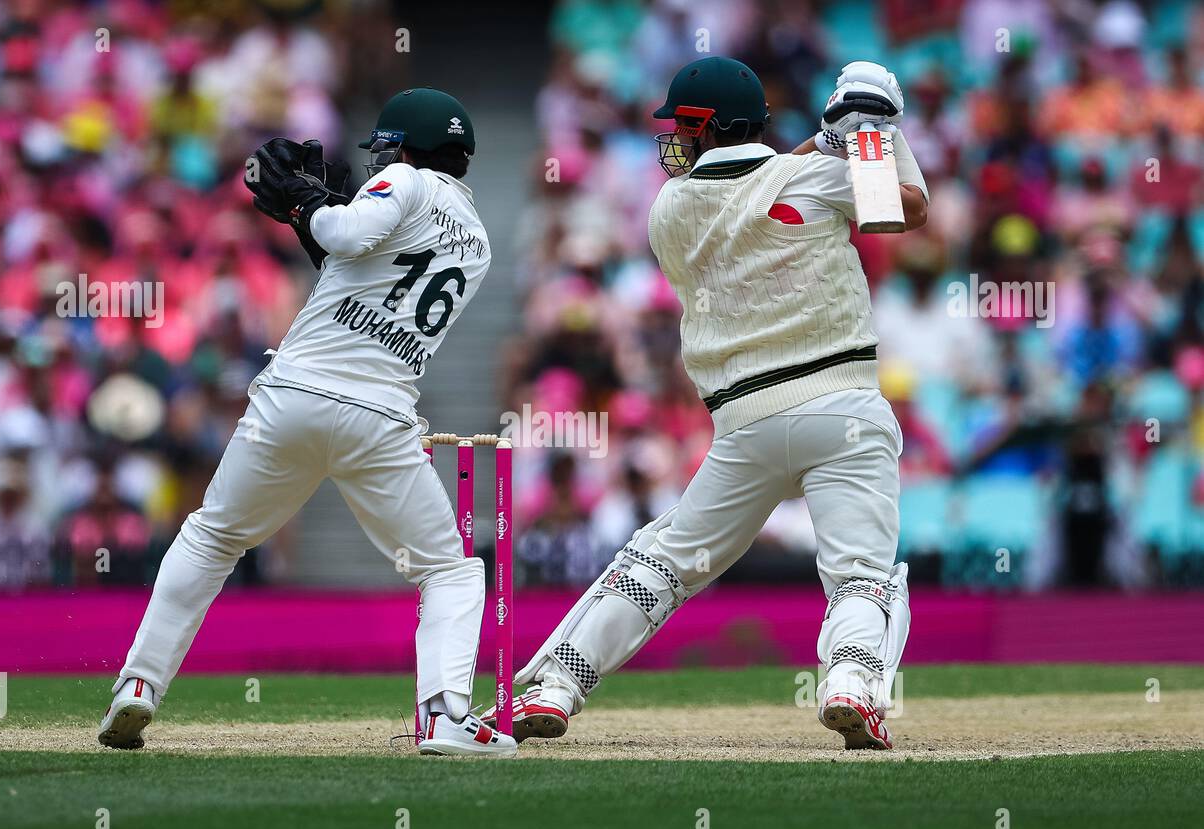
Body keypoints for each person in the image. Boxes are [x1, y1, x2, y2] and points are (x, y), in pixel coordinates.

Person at [484, 58, 928, 750]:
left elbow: (763, 184)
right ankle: (850, 685)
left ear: (706, 127)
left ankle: (555, 686)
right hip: (843, 408)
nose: (671, 140)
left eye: (680, 126)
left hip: (745, 426)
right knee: (861, 575)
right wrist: (871, 130)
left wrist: (828, 137)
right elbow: (901, 208)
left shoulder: (671, 210)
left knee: (662, 564)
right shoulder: (810, 179)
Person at [98, 89, 517, 758]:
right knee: (450, 571)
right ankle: (442, 719)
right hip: (380, 413)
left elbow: (346, 236)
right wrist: (314, 214)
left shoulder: (403, 179)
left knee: (211, 539)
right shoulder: (480, 242)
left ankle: (138, 686)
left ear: (403, 146)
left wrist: (305, 203)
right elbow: (357, 272)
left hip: (294, 395)